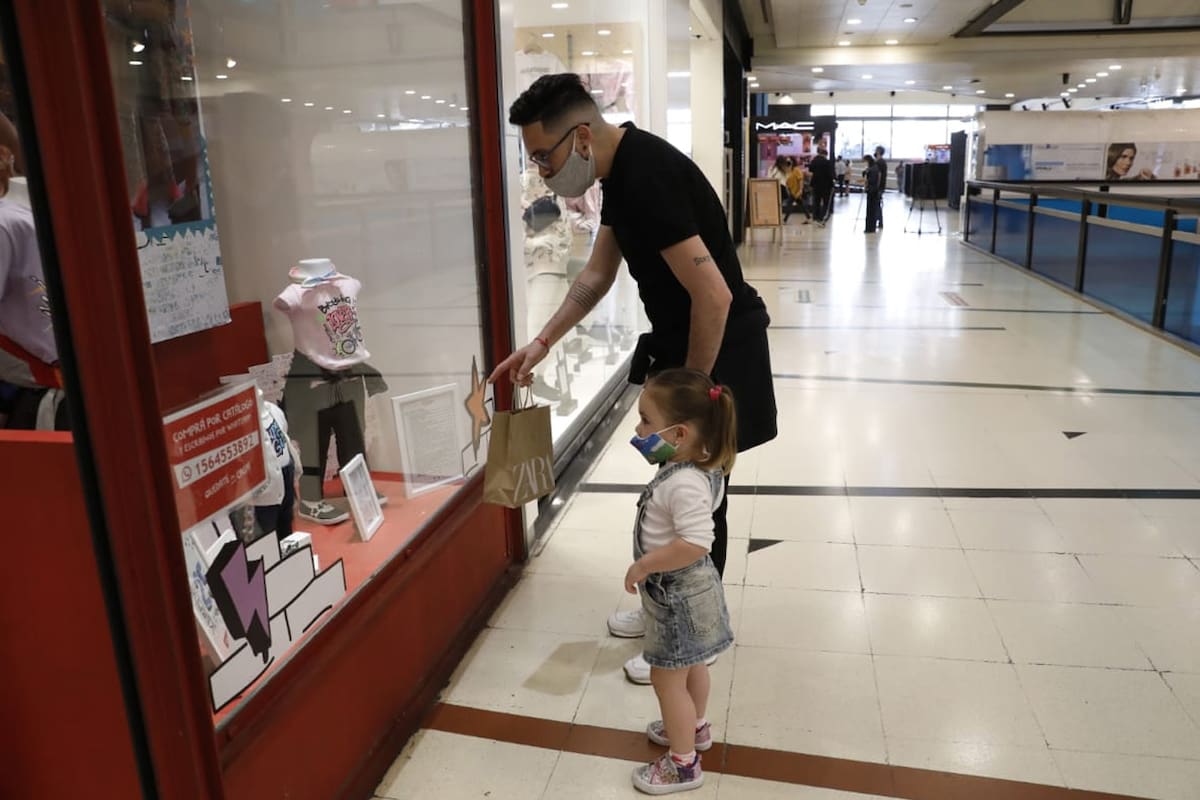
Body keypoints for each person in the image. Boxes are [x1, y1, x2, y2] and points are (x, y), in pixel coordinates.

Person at [490, 73, 777, 684]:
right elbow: (595, 276)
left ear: (583, 134)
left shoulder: (647, 177)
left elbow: (715, 296)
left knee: (697, 504)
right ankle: (664, 608)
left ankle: (686, 637)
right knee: (675, 495)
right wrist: (540, 343)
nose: (542, 170)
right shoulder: (618, 172)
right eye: (533, 157)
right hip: (690, 349)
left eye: (546, 154)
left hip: (718, 353)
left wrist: (690, 400)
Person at [623, 368, 735, 794]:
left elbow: (696, 541)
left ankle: (683, 764)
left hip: (678, 595)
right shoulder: (699, 465)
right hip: (694, 593)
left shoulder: (684, 482)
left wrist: (645, 564)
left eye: (647, 421)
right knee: (692, 667)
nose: (639, 429)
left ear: (680, 433)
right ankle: (697, 727)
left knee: (666, 678)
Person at [808, 147, 835, 226]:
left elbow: (810, 170)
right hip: (826, 185)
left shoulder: (814, 161)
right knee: (826, 202)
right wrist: (832, 183)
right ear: (825, 154)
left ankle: (815, 216)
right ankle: (822, 217)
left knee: (816, 201)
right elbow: (830, 174)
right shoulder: (827, 162)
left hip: (815, 184)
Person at [784, 158, 810, 224]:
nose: (788, 163)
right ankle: (808, 218)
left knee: (789, 204)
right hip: (792, 191)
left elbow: (800, 180)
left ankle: (785, 220)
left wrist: (801, 190)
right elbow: (787, 182)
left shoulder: (796, 170)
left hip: (797, 191)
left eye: (789, 161)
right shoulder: (788, 171)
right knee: (801, 205)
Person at [863, 154, 881, 234]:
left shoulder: (873, 169)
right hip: (873, 191)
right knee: (871, 210)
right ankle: (870, 227)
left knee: (870, 210)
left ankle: (869, 228)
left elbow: (872, 180)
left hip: (872, 191)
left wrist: (867, 181)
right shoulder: (874, 168)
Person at [872, 146, 888, 230]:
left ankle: (878, 221)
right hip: (881, 186)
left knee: (876, 204)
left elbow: (879, 175)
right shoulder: (881, 162)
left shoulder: (879, 162)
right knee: (877, 204)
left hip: (878, 187)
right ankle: (879, 221)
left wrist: (876, 186)